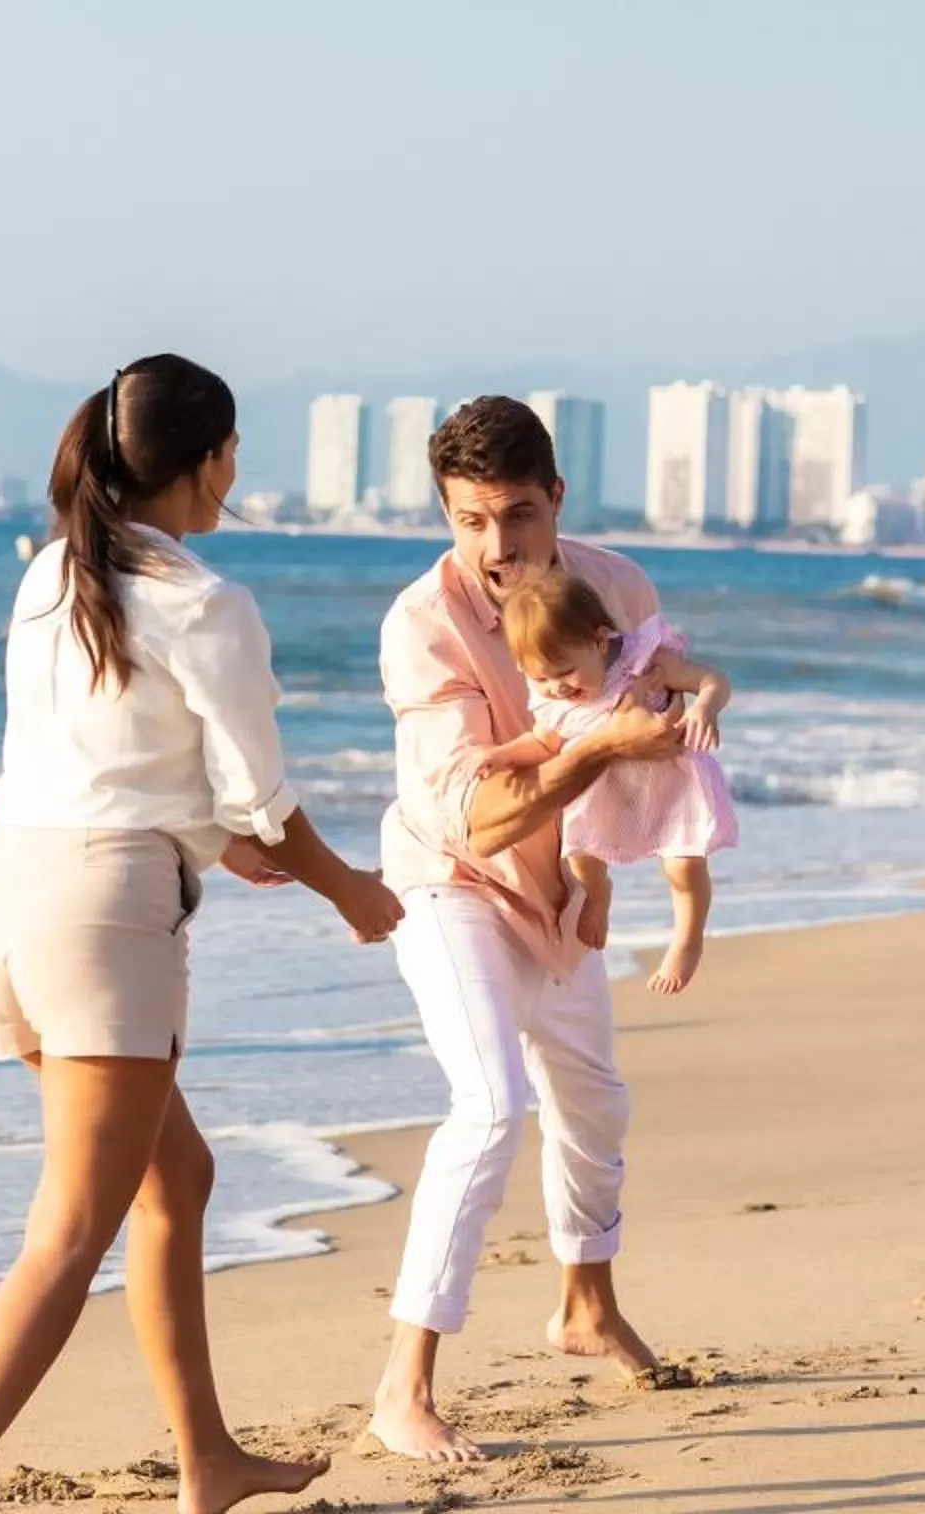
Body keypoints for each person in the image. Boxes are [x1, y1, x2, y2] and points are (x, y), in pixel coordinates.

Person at [0, 354, 405, 1514]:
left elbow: (123, 768)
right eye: (233, 458)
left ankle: (208, 1458)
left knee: (178, 1175)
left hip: (7, 899)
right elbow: (262, 798)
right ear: (212, 460)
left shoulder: (51, 577)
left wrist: (226, 850)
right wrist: (349, 889)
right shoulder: (207, 602)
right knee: (71, 1227)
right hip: (102, 914)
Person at [363, 397, 691, 1464]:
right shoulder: (422, 623)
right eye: (469, 520)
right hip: (450, 880)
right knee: (493, 1103)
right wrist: (600, 753)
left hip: (562, 892)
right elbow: (475, 811)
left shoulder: (620, 587)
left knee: (594, 1100)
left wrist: (689, 721)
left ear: (557, 497)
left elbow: (665, 717)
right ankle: (401, 1386)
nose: (496, 546)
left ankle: (584, 1305)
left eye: (515, 513)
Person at [488, 565, 737, 996]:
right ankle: (598, 894)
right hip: (606, 790)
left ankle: (687, 939)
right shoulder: (553, 698)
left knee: (683, 867)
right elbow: (544, 740)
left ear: (600, 641)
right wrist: (501, 756)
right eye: (540, 678)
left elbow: (712, 679)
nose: (557, 688)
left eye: (565, 671)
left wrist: (704, 709)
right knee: (582, 854)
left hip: (672, 782)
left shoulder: (642, 665)